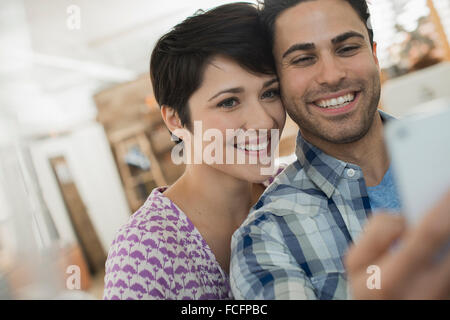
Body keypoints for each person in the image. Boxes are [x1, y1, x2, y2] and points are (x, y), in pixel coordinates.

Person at [230, 0, 450, 299]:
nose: (332, 75)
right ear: (277, 83)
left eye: (347, 48)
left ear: (374, 55)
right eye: (303, 59)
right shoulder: (266, 237)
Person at [103, 3, 286, 300]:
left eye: (270, 93)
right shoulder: (143, 251)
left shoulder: (292, 192)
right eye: (229, 102)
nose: (265, 121)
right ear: (175, 119)